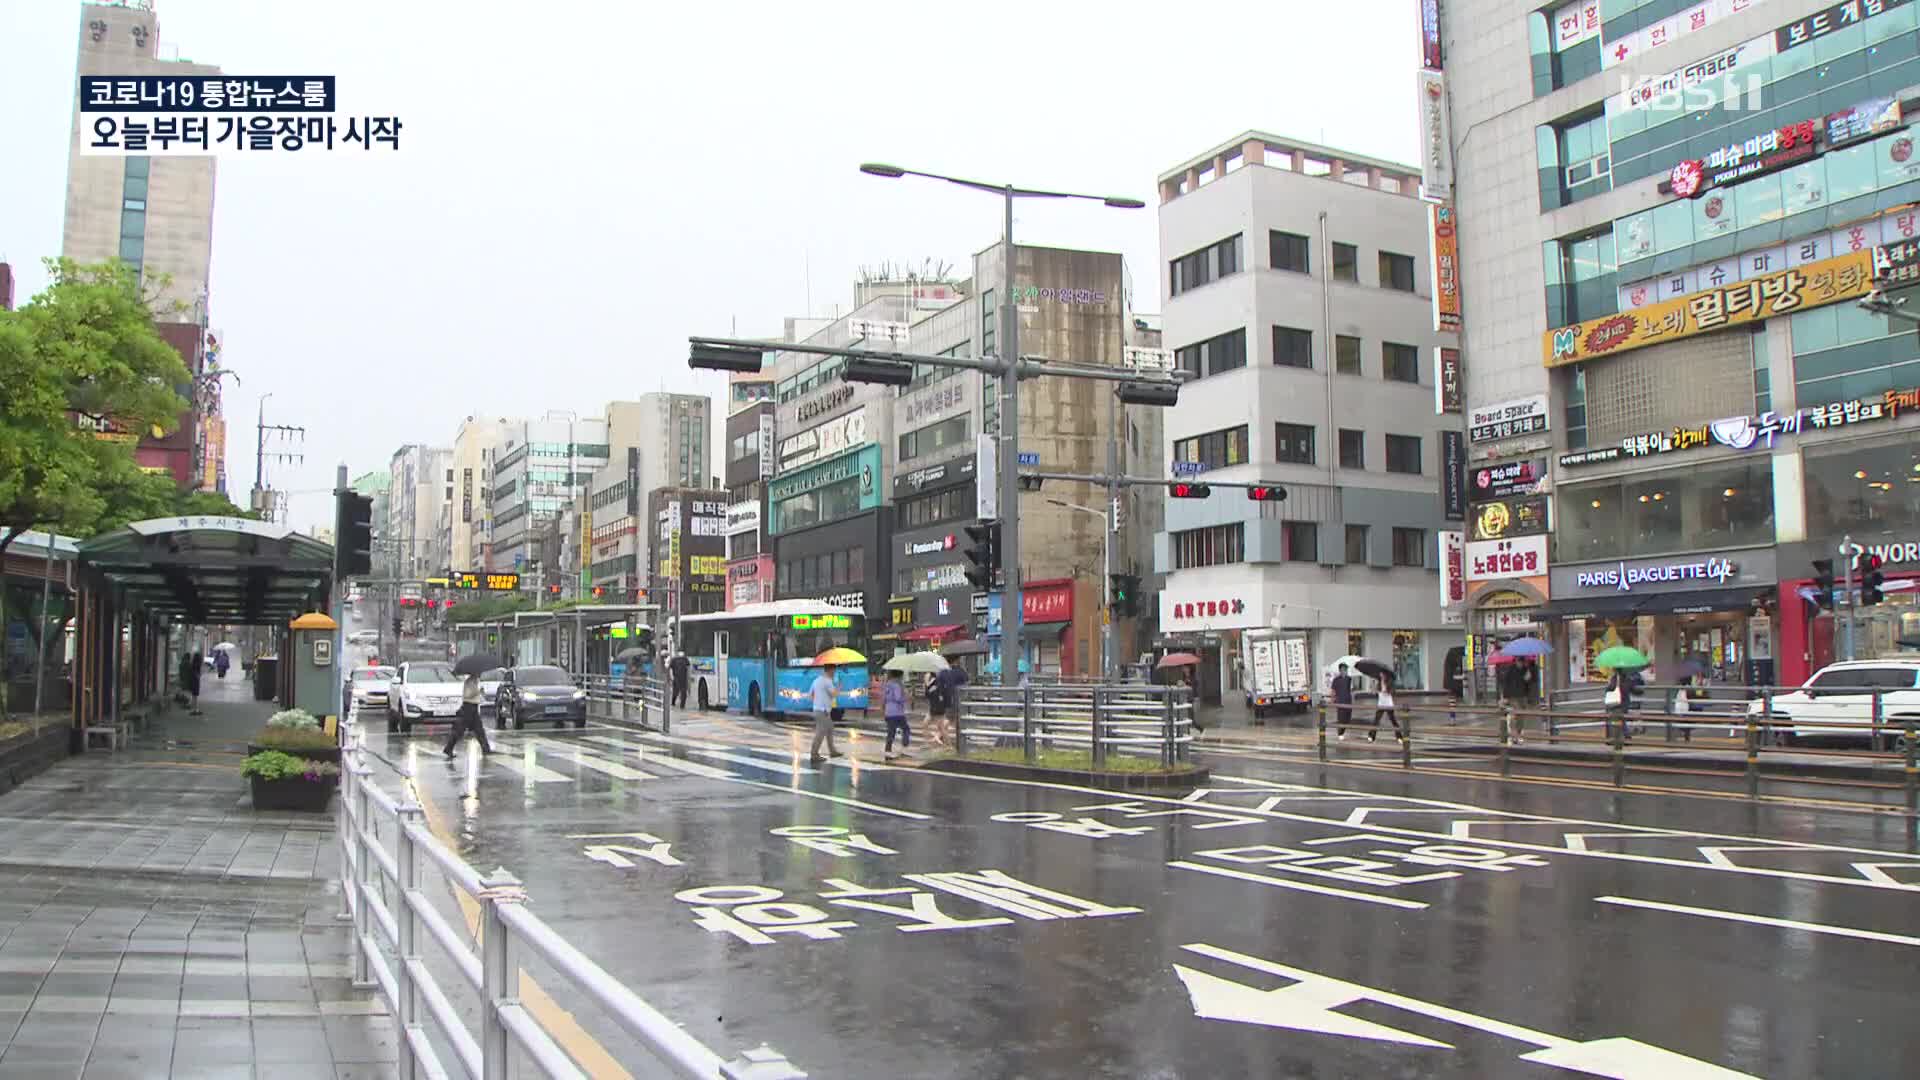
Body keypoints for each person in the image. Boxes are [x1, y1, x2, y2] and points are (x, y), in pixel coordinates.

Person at [444, 671, 495, 758]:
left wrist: (479, 693)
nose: (480, 675)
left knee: (479, 730)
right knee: (459, 730)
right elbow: (467, 695)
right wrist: (478, 691)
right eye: (479, 673)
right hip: (468, 708)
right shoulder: (469, 682)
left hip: (473, 708)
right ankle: (448, 748)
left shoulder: (475, 681)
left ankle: (486, 749)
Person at [809, 663, 841, 766]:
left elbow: (811, 694)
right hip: (823, 711)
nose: (834, 673)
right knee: (820, 733)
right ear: (830, 670)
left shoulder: (816, 680)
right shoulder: (827, 681)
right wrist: (839, 687)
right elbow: (834, 694)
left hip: (818, 709)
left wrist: (818, 701)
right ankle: (814, 754)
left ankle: (832, 751)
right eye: (834, 671)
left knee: (830, 728)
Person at [881, 670, 911, 759]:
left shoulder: (887, 685)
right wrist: (906, 697)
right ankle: (904, 747)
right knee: (906, 729)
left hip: (888, 712)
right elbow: (898, 698)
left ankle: (888, 750)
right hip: (897, 712)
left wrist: (883, 709)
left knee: (891, 731)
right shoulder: (897, 685)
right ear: (899, 676)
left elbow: (883, 699)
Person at [1373, 674, 1405, 743]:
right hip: (1381, 703)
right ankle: (1372, 736)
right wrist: (1375, 691)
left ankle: (1399, 737)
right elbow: (1376, 693)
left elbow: (1393, 691)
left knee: (1393, 721)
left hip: (1388, 704)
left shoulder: (1390, 682)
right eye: (1380, 674)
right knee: (1376, 720)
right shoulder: (1378, 682)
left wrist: (1387, 690)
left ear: (1385, 674)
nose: (1381, 675)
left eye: (1382, 674)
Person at [1332, 663, 1355, 740]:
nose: (1344, 671)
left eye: (1345, 669)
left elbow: (1351, 690)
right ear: (1340, 670)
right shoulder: (1336, 680)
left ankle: (1342, 731)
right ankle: (1340, 733)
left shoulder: (1349, 679)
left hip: (1348, 701)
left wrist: (1353, 699)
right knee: (1341, 718)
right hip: (1340, 701)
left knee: (1347, 719)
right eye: (1343, 669)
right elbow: (1333, 690)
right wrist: (1333, 700)